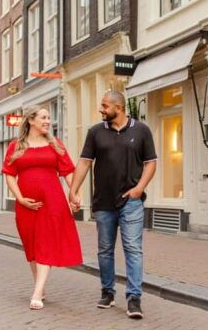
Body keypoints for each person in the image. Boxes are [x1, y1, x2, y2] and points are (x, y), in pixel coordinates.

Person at [69, 91, 157, 319]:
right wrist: (73, 190)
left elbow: (151, 163)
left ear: (119, 107)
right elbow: (84, 162)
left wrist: (139, 189)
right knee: (105, 250)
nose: (101, 109)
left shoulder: (141, 130)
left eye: (105, 106)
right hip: (103, 202)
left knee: (133, 249)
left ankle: (134, 298)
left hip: (131, 201)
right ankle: (107, 292)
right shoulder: (95, 132)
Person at [1, 106, 82, 310]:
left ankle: (37, 293)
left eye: (49, 118)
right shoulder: (16, 146)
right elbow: (9, 174)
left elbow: (68, 172)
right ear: (31, 120)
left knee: (45, 243)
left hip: (52, 202)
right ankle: (41, 286)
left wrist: (74, 194)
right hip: (25, 205)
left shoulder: (55, 145)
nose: (48, 121)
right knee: (32, 246)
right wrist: (19, 198)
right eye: (44, 117)